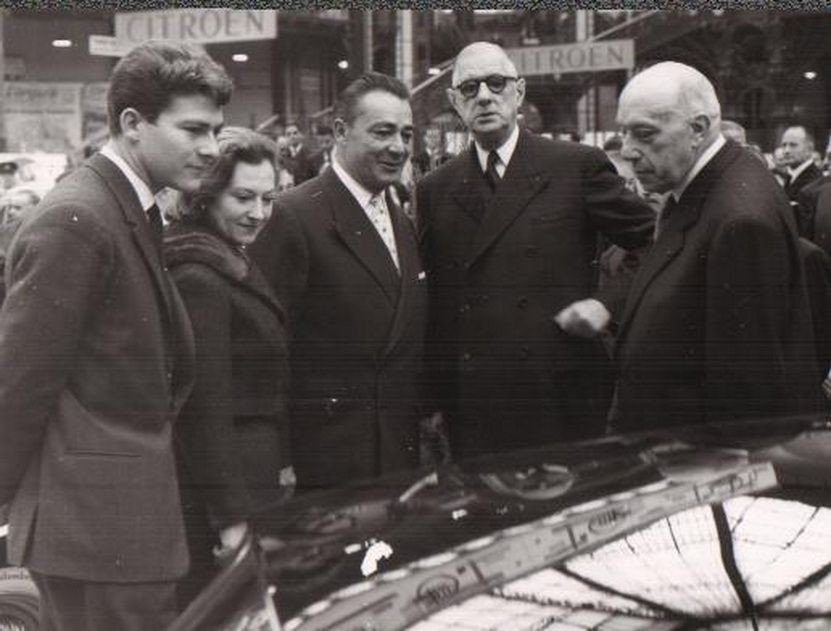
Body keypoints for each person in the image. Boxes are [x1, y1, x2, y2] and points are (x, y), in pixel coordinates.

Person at [0, 40, 231, 629]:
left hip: (115, 528)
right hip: (95, 536)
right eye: (194, 130)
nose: (211, 149)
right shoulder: (76, 219)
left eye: (216, 131)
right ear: (132, 123)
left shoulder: (125, 208)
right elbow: (19, 385)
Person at [416, 42, 655, 461]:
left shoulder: (575, 165)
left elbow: (657, 240)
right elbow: (438, 304)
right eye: (470, 88)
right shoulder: (435, 188)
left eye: (496, 84)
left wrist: (607, 304)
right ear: (455, 101)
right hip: (475, 403)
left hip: (559, 395)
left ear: (519, 92)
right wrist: (435, 398)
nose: (484, 97)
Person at [612, 61, 821, 434]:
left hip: (692, 461)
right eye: (624, 133)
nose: (627, 152)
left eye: (644, 134)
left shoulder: (739, 220)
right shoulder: (713, 183)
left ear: (698, 129)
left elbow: (744, 396)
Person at [250, 72, 427, 491]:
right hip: (326, 463)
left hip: (394, 455)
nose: (398, 147)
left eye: (406, 134)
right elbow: (264, 351)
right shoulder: (293, 216)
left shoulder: (398, 216)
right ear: (340, 132)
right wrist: (281, 460)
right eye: (382, 132)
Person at [163, 127, 292, 606]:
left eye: (268, 198)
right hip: (225, 494)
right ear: (205, 195)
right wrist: (232, 520)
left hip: (244, 479)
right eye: (243, 197)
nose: (259, 213)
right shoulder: (199, 273)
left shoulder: (220, 257)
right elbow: (203, 410)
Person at [779, 125, 823, 202]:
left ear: (809, 149)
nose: (786, 151)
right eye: (784, 145)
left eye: (793, 145)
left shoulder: (815, 180)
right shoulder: (790, 177)